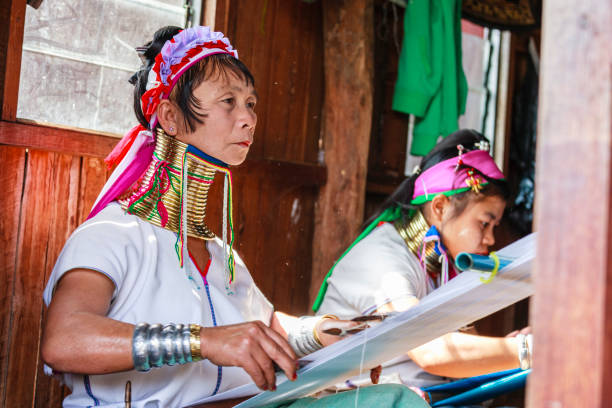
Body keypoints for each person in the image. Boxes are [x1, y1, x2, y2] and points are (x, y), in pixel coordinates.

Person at [41, 26, 429, 408]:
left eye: (251, 104)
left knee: (390, 400)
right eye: (229, 101)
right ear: (170, 117)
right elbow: (64, 340)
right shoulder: (113, 234)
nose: (248, 118)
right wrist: (205, 341)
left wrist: (325, 332)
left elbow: (264, 327)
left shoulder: (220, 254)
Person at [313, 129, 532, 388]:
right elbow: (431, 352)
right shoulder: (384, 262)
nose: (491, 240)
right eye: (484, 224)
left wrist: (510, 350)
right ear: (439, 207)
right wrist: (523, 350)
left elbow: (459, 357)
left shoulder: (442, 265)